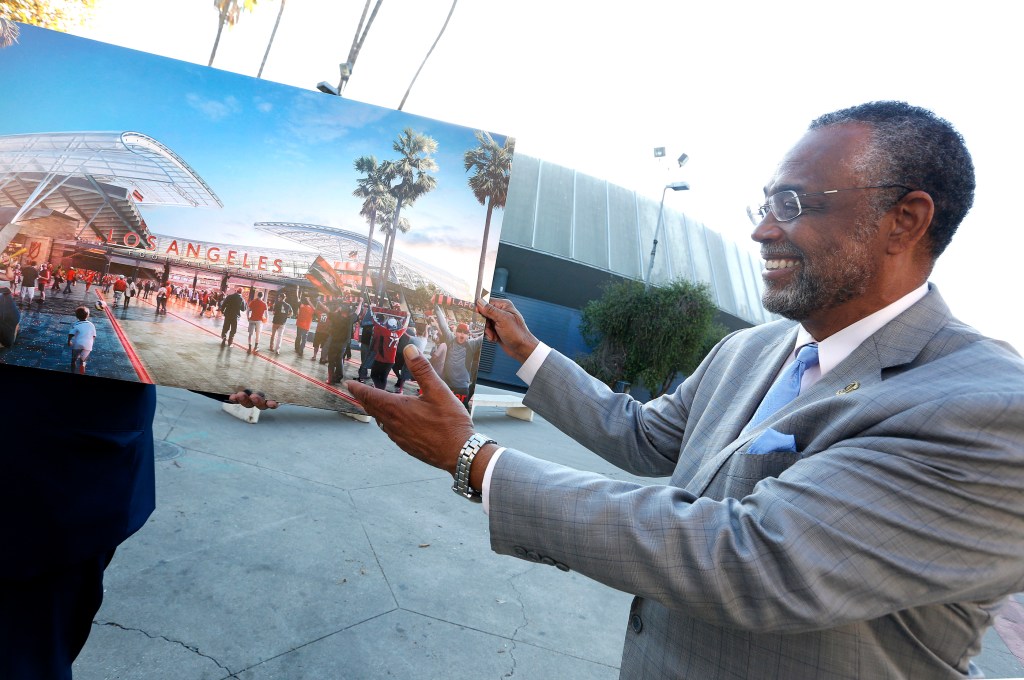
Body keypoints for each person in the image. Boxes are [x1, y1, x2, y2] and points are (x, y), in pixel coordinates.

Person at [349, 102, 1024, 679]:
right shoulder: (752, 349)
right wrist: (526, 351)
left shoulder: (986, 407)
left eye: (793, 204)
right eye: (765, 204)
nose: (763, 230)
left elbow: (757, 558)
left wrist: (475, 459)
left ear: (904, 221)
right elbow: (644, 435)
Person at [431, 304, 483, 409]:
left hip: (461, 388)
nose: (461, 335)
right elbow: (443, 325)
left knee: (459, 411)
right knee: (440, 409)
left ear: (468, 335)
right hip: (446, 385)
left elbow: (483, 338)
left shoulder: (471, 345)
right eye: (460, 331)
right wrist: (436, 307)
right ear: (456, 332)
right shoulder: (450, 340)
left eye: (465, 333)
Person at [67, 305, 97, 374]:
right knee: (83, 362)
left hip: (78, 344)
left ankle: (73, 371)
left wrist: (69, 341)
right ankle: (82, 372)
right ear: (87, 315)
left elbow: (71, 334)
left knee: (73, 360)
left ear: (76, 316)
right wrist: (90, 342)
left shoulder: (75, 324)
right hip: (88, 345)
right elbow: (94, 336)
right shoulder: (91, 324)